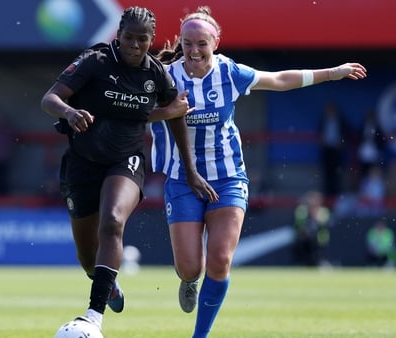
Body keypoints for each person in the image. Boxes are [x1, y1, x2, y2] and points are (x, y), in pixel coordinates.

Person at [151, 6, 367, 338]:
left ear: (216, 43)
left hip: (228, 178)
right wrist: (168, 110)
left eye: (202, 44)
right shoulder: (165, 76)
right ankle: (190, 280)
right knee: (190, 266)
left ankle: (200, 335)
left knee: (220, 259)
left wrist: (331, 73)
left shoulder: (230, 73)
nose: (194, 51)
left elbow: (280, 80)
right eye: (188, 43)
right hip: (183, 179)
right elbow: (137, 113)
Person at [40, 6, 217, 335]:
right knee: (88, 259)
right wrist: (69, 111)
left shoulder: (155, 74)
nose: (135, 45)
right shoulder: (95, 62)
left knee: (112, 222)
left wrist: (190, 170)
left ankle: (93, 317)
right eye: (129, 38)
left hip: (127, 161)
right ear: (118, 36)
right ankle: (108, 284)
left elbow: (176, 113)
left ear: (151, 41)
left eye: (142, 40)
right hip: (82, 164)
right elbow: (49, 98)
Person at [318, 101, 352, 197]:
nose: (330, 111)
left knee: (337, 172)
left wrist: (342, 142)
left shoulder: (341, 120)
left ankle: (336, 194)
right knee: (327, 172)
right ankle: (327, 194)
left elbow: (346, 133)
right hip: (327, 149)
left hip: (337, 150)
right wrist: (322, 140)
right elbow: (319, 132)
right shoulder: (323, 120)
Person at [293, 190, 332, 267]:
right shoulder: (302, 211)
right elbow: (298, 226)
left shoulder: (323, 212)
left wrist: (315, 216)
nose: (313, 203)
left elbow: (324, 225)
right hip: (304, 240)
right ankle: (301, 263)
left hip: (319, 239)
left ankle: (320, 262)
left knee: (316, 247)